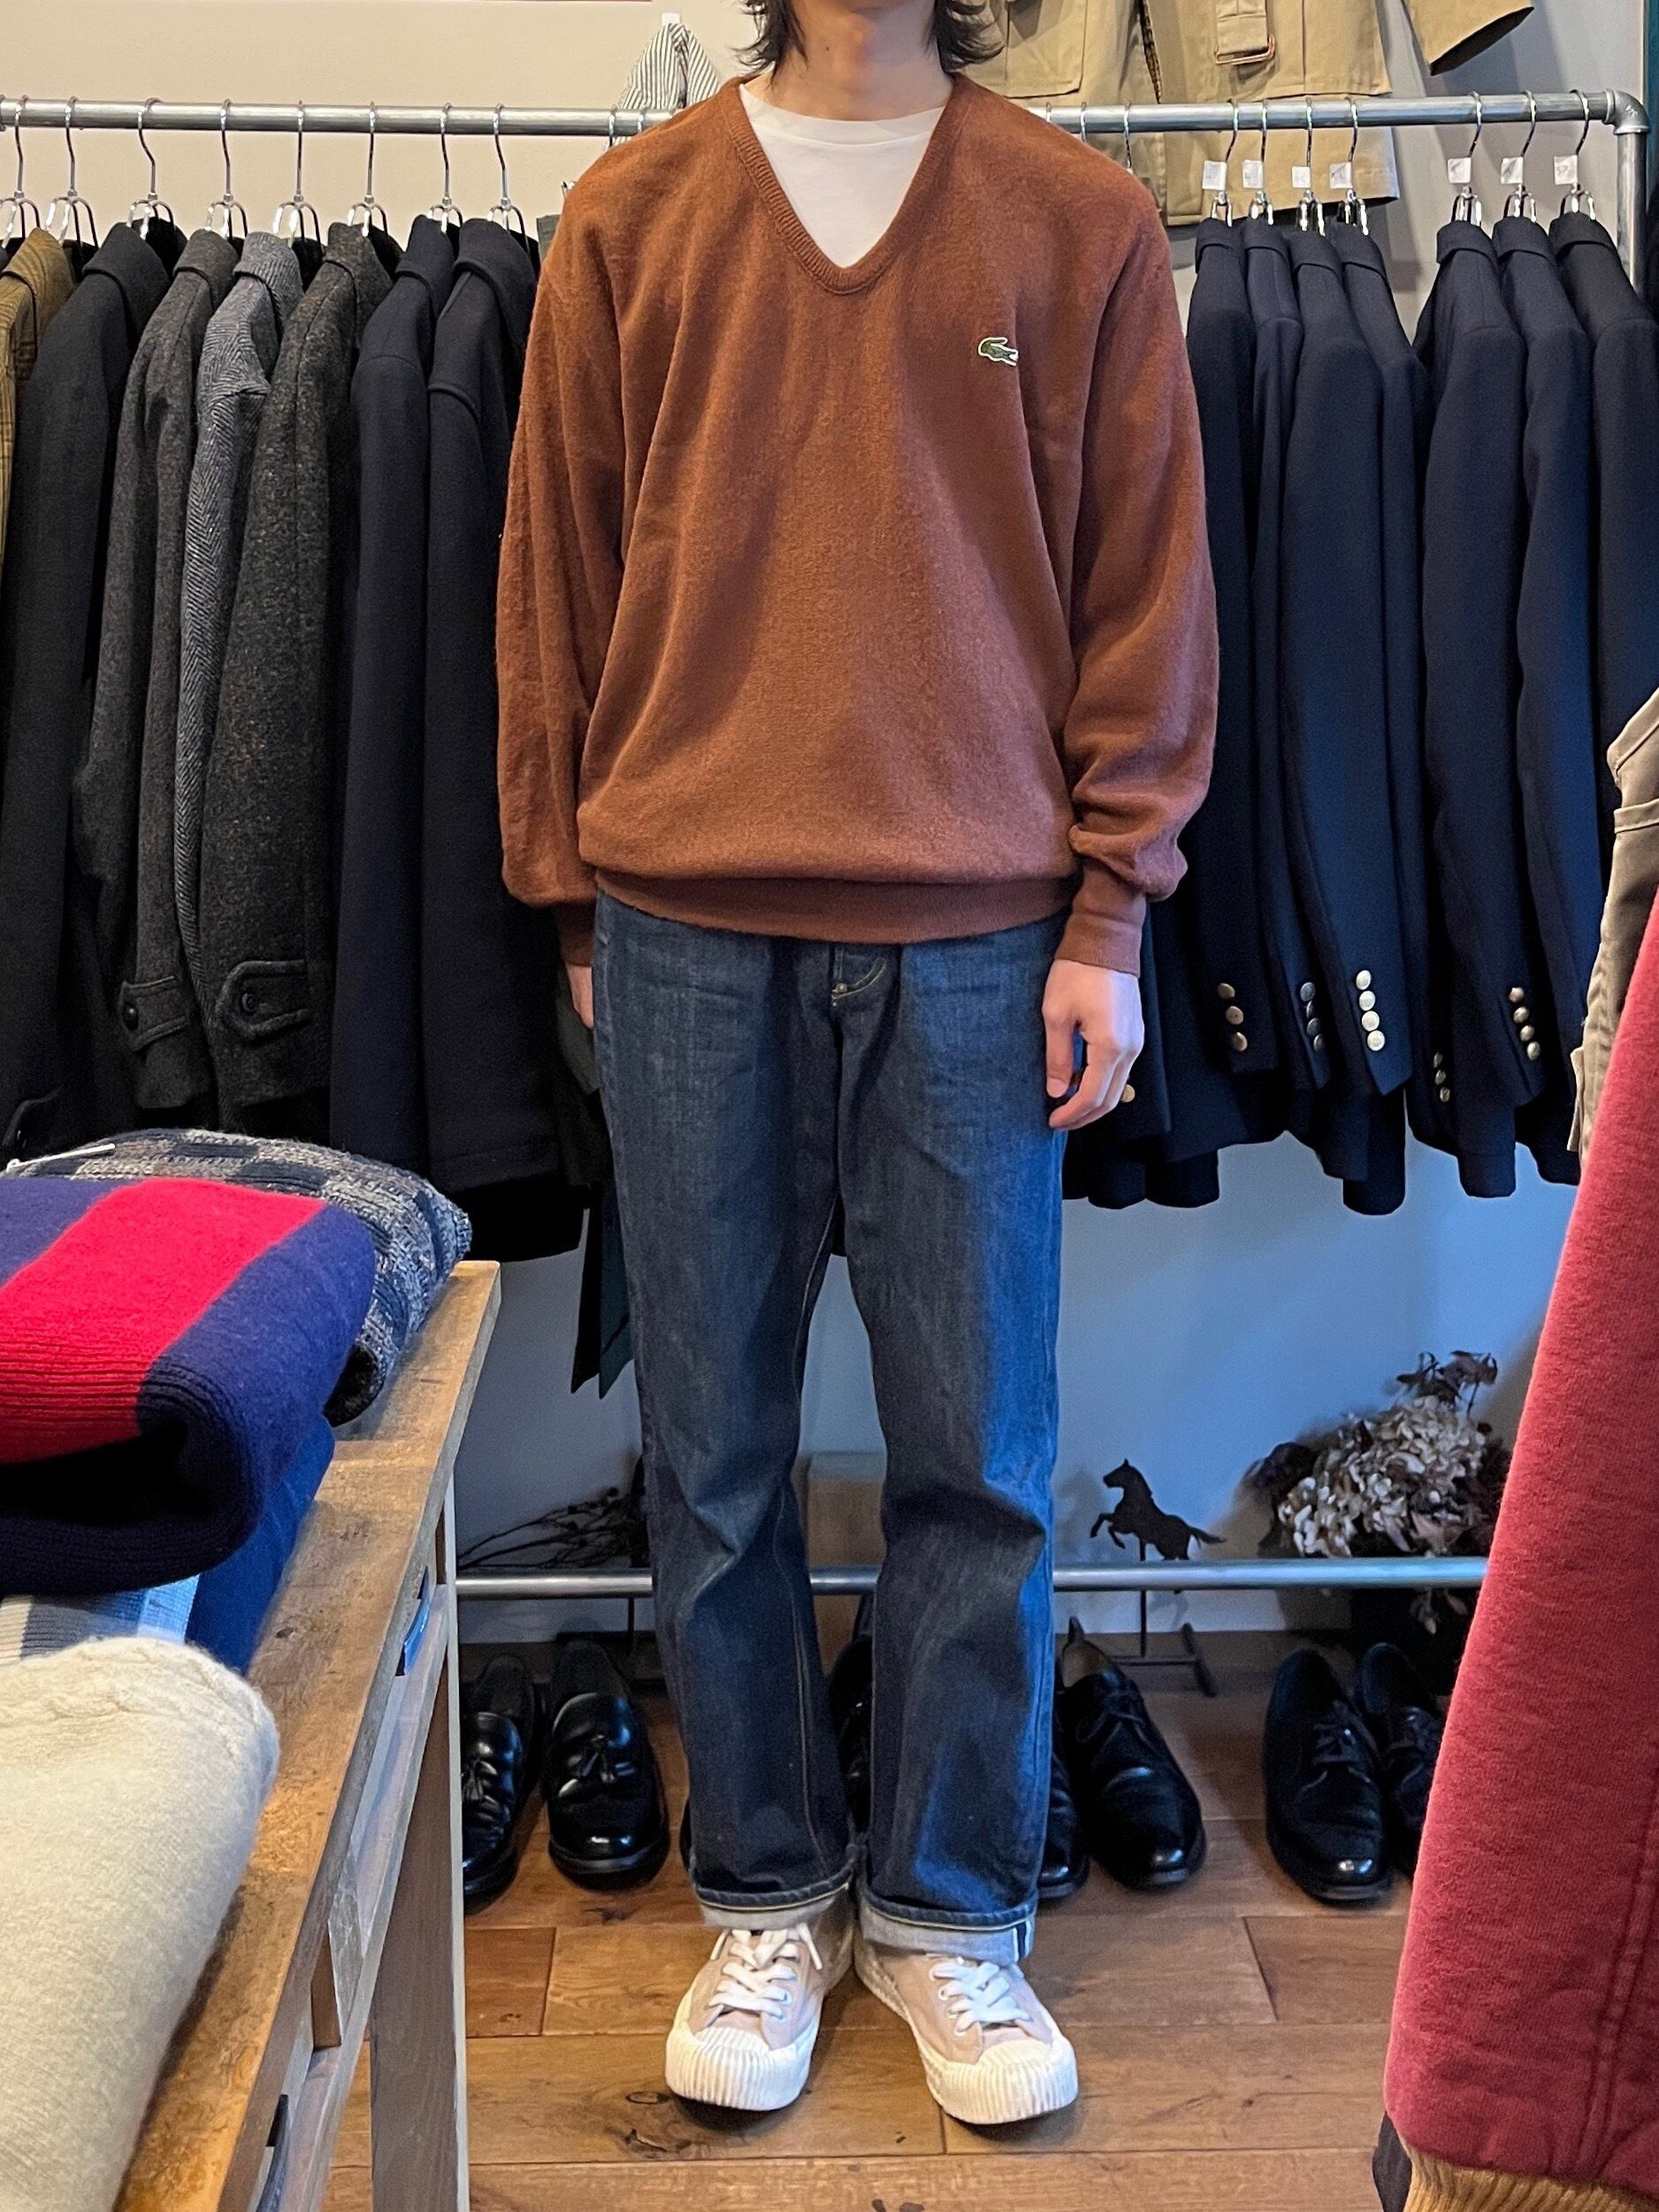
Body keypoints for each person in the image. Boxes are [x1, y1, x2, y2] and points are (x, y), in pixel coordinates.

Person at [496, 0, 1216, 2127]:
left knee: (975, 1452)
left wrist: (1112, 911)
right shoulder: (627, 222)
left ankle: (948, 1913)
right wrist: (566, 894)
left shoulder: (1075, 222)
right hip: (683, 921)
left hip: (981, 941)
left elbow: (1144, 589)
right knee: (711, 1454)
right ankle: (763, 1893)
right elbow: (556, 577)